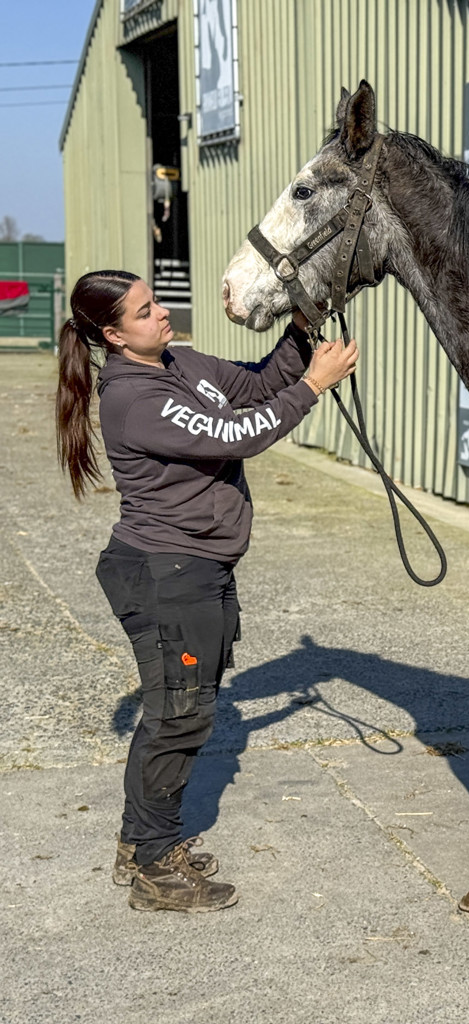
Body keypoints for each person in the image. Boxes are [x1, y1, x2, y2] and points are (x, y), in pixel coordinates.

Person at [55, 269, 357, 912]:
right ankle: (152, 866)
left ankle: (143, 843)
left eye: (154, 301)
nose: (161, 313)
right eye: (143, 312)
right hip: (167, 573)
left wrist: (301, 331)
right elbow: (239, 434)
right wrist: (314, 387)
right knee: (179, 715)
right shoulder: (133, 397)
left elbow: (255, 385)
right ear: (112, 334)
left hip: (197, 570)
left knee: (183, 708)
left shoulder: (180, 362)